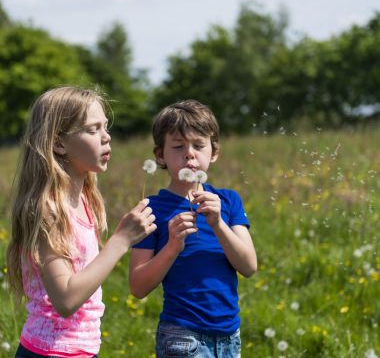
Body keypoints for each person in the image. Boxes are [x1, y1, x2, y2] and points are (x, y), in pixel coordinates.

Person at [6, 86, 156, 358]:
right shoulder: (48, 209)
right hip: (50, 352)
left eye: (105, 127)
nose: (106, 137)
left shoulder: (86, 199)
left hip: (80, 350)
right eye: (92, 129)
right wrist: (121, 241)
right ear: (59, 143)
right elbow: (65, 300)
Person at [129, 99, 257, 358]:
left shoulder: (227, 201)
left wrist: (218, 224)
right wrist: (172, 247)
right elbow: (138, 286)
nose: (190, 153)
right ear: (160, 155)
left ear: (214, 152)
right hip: (182, 336)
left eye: (199, 145)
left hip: (230, 336)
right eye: (178, 146)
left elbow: (249, 266)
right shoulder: (151, 208)